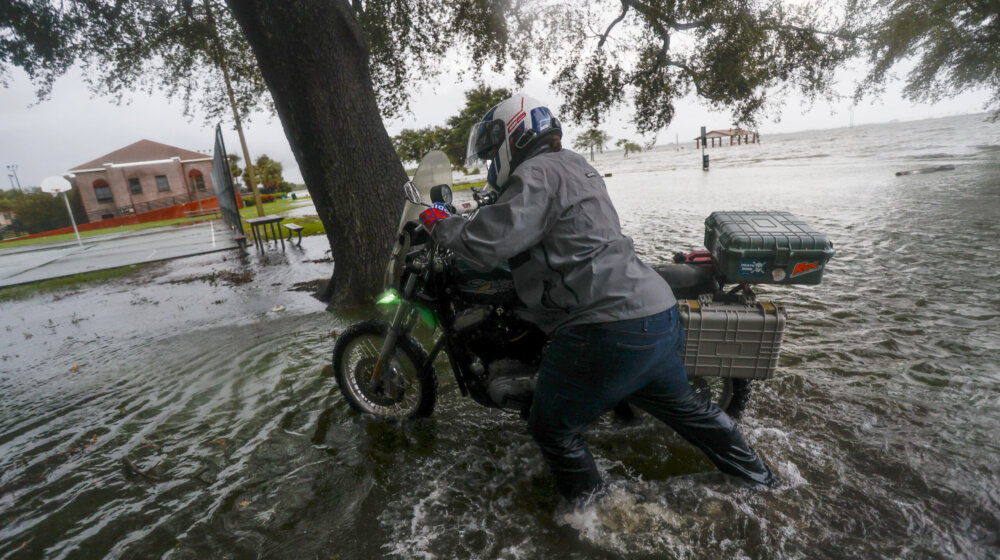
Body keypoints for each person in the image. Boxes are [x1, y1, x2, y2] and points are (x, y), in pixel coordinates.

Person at [419, 93, 776, 504]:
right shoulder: (574, 164)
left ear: (512, 136)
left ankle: (596, 516)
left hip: (607, 329)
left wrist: (439, 222)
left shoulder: (535, 174)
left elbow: (488, 241)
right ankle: (764, 480)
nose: (489, 164)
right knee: (695, 416)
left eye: (489, 155)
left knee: (551, 429)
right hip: (657, 314)